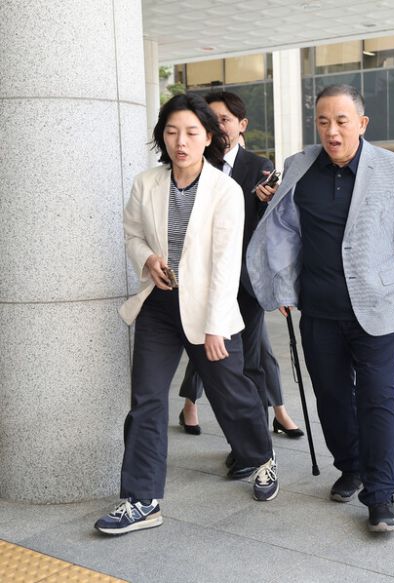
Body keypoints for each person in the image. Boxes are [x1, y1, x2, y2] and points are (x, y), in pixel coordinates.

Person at [246, 84, 394, 532]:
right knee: (331, 397)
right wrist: (282, 285)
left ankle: (381, 494)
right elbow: (285, 229)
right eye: (323, 122)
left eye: (342, 121)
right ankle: (351, 466)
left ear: (361, 124)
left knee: (378, 399)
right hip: (319, 307)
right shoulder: (299, 165)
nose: (332, 131)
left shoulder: (390, 167)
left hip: (378, 306)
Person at [95, 94, 279, 536]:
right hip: (159, 306)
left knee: (230, 393)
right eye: (172, 132)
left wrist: (215, 327)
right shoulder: (147, 183)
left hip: (208, 308)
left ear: (209, 137)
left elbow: (225, 263)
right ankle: (142, 499)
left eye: (192, 132)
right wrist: (147, 259)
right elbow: (132, 234)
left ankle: (261, 456)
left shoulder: (225, 191)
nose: (181, 141)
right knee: (147, 399)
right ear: (162, 136)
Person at [177, 91, 303, 458]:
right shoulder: (193, 166)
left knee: (250, 364)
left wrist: (267, 204)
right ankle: (232, 434)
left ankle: (254, 448)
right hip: (201, 281)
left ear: (241, 124)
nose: (218, 128)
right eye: (211, 121)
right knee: (211, 360)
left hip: (245, 284)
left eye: (225, 120)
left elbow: (276, 230)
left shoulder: (259, 166)